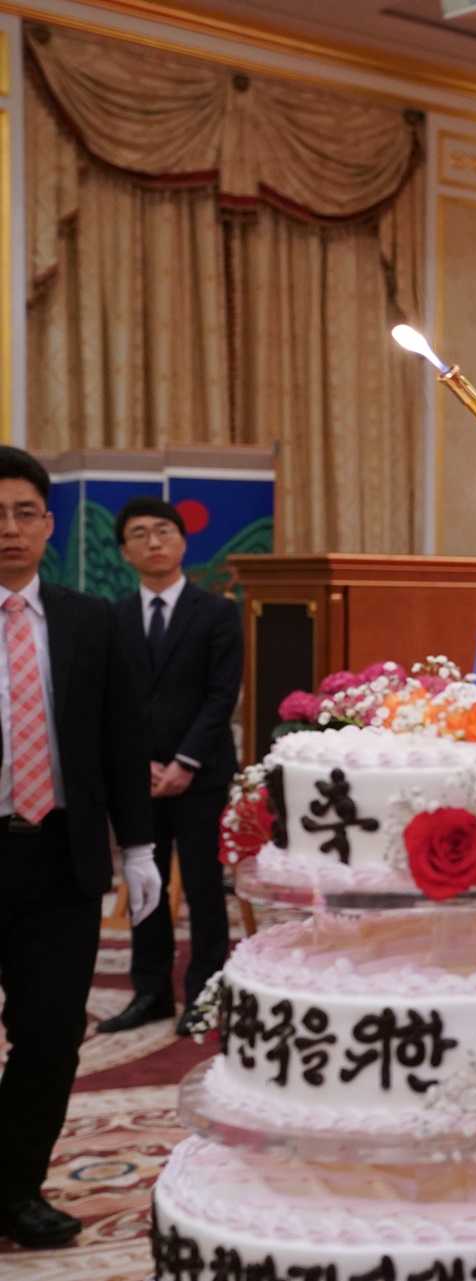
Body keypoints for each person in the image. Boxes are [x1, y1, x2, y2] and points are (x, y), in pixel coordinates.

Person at [0, 447, 159, 1249]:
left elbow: (120, 743)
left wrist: (138, 848)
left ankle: (15, 1187)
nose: (8, 529)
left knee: (51, 1030)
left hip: (59, 859)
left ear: (49, 524)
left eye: (24, 512)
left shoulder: (89, 619)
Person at [97, 497, 242, 1037]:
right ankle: (151, 992)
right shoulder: (109, 617)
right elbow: (109, 699)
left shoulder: (218, 612)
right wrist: (141, 765)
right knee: (145, 886)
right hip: (138, 778)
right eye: (139, 534)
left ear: (182, 541)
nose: (153, 542)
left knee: (205, 887)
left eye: (163, 531)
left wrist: (182, 762)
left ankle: (206, 994)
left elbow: (221, 695)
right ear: (125, 551)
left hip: (201, 776)